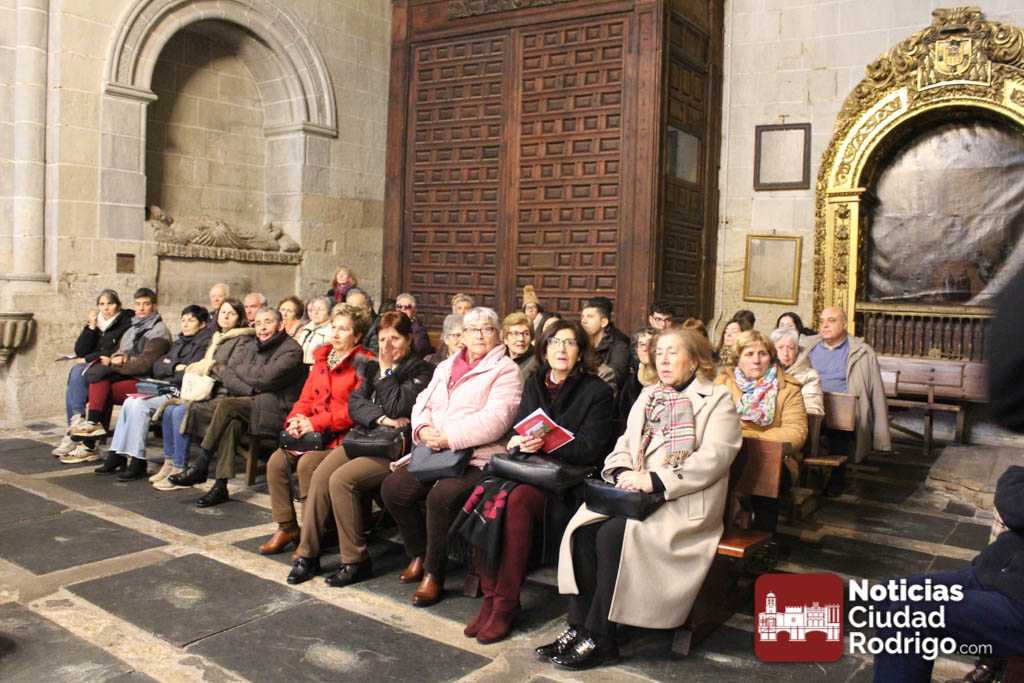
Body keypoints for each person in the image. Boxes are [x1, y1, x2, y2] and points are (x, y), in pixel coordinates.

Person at [538, 327, 741, 669]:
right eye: (659, 353)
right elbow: (624, 445)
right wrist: (620, 472)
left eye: (673, 352)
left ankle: (602, 637)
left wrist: (653, 480)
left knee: (612, 534)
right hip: (635, 496)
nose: (664, 360)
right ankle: (579, 626)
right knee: (583, 530)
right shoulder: (649, 395)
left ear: (694, 360)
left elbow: (714, 459)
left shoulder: (717, 400)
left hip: (681, 501)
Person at [457, 320, 615, 643]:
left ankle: (505, 604)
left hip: (567, 482)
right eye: (555, 342)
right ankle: (490, 597)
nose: (561, 349)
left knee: (515, 501)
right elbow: (520, 429)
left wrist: (546, 443)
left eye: (570, 343)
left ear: (581, 351)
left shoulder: (597, 391)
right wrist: (520, 441)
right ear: (544, 349)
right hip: (528, 471)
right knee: (486, 492)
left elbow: (591, 448)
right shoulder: (534, 383)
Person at [380, 306, 522, 607]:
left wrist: (448, 437)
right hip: (434, 451)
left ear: (497, 335)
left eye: (487, 329)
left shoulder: (506, 370)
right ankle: (419, 553)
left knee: (441, 497)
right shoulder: (446, 366)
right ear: (464, 335)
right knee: (394, 489)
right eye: (473, 329)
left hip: (476, 455)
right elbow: (423, 402)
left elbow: (496, 419)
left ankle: (434, 573)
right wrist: (423, 429)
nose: (480, 335)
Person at [283, 312, 434, 586]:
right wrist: (381, 418)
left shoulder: (422, 370)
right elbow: (355, 405)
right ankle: (308, 554)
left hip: (393, 448)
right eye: (383, 339)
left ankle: (355, 560)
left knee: (341, 480)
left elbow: (400, 406)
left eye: (395, 339)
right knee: (320, 474)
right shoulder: (371, 367)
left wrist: (387, 373)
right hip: (365, 437)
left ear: (409, 340)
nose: (388, 345)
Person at [871, 466, 1024, 682]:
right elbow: (1011, 484)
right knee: (889, 592)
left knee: (913, 614)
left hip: (1017, 602)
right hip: (993, 571)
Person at [258, 305, 375, 583]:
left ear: (357, 335)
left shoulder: (365, 362)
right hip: (313, 433)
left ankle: (316, 537)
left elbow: (354, 411)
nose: (336, 333)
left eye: (344, 329)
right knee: (277, 461)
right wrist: (296, 420)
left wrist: (316, 423)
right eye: (334, 327)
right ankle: (287, 526)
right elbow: (306, 398)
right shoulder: (322, 357)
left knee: (309, 464)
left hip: (342, 437)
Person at [168, 307, 305, 507]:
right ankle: (220, 486)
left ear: (281, 325)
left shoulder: (291, 350)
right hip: (251, 401)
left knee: (227, 405)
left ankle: (202, 463)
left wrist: (245, 373)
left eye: (268, 322)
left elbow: (265, 378)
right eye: (258, 323)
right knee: (231, 421)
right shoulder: (253, 345)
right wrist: (252, 385)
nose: (262, 328)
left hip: (277, 409)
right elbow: (230, 375)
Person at [95, 305, 214, 480]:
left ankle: (137, 460)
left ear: (202, 324)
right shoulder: (179, 342)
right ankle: (117, 453)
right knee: (130, 402)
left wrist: (171, 367)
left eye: (191, 320)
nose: (185, 324)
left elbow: (190, 373)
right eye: (183, 320)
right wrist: (175, 366)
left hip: (180, 393)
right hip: (164, 386)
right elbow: (158, 367)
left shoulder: (204, 345)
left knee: (140, 405)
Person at [155, 299, 252, 491]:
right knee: (169, 410)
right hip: (208, 391)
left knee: (181, 411)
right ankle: (169, 462)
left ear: (240, 317)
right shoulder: (217, 337)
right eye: (223, 312)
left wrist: (208, 367)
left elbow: (233, 373)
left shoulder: (244, 340)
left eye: (231, 313)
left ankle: (180, 466)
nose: (225, 316)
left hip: (225, 395)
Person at [716, 329, 807, 531]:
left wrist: (749, 439)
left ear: (770, 357)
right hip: (728, 453)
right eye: (749, 354)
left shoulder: (788, 388)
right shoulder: (722, 383)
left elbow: (796, 432)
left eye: (762, 354)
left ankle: (763, 537)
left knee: (766, 473)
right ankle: (719, 533)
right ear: (738, 358)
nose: (756, 360)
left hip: (774, 457)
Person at [68, 288, 172, 448]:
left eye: (146, 304)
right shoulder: (133, 328)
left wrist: (116, 364)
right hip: (127, 375)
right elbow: (120, 351)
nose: (141, 308)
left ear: (154, 306)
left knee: (102, 380)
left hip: (145, 382)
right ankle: (91, 429)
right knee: (95, 377)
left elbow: (144, 364)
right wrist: (117, 358)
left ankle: (89, 442)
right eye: (138, 304)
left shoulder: (159, 331)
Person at [797, 306, 891, 462]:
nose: (825, 325)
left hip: (844, 417)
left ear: (845, 324)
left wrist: (881, 438)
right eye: (821, 321)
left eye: (831, 321)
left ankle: (837, 472)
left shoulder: (862, 352)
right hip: (808, 410)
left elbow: (877, 395)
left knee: (838, 445)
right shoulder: (806, 347)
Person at [54, 289, 133, 458]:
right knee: (76, 372)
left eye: (110, 304)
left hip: (112, 366)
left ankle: (75, 432)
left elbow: (114, 350)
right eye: (102, 304)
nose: (106, 308)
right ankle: (76, 426)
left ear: (118, 305)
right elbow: (80, 350)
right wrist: (91, 327)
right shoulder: (97, 322)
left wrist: (88, 358)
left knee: (78, 370)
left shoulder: (125, 322)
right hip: (95, 364)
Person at [579, 297, 630, 390]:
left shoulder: (620, 345)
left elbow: (612, 376)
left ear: (603, 322)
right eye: (582, 317)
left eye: (590, 317)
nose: (584, 321)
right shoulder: (580, 340)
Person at [771, 327, 824, 416]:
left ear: (796, 351)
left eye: (791, 348)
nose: (786, 353)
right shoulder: (766, 372)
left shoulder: (809, 376)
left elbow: (813, 412)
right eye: (780, 348)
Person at [616, 327, 657, 423]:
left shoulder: (666, 377)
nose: (645, 349)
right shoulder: (631, 381)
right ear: (636, 350)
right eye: (641, 344)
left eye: (650, 344)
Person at [395, 292, 433, 359]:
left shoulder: (419, 330)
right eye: (399, 306)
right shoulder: (392, 326)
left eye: (407, 307)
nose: (403, 309)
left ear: (414, 311)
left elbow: (417, 351)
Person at [502, 312, 537, 381]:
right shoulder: (499, 358)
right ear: (505, 339)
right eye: (515, 333)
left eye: (526, 334)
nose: (521, 339)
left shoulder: (537, 362)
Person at [345, 287, 380, 356]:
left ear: (369, 308)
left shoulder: (378, 327)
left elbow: (372, 356)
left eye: (357, 309)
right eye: (349, 309)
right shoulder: (350, 325)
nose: (353, 313)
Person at [298, 296, 332, 364]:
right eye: (312, 310)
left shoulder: (331, 330)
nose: (315, 312)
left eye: (320, 309)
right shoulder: (306, 329)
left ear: (329, 311)